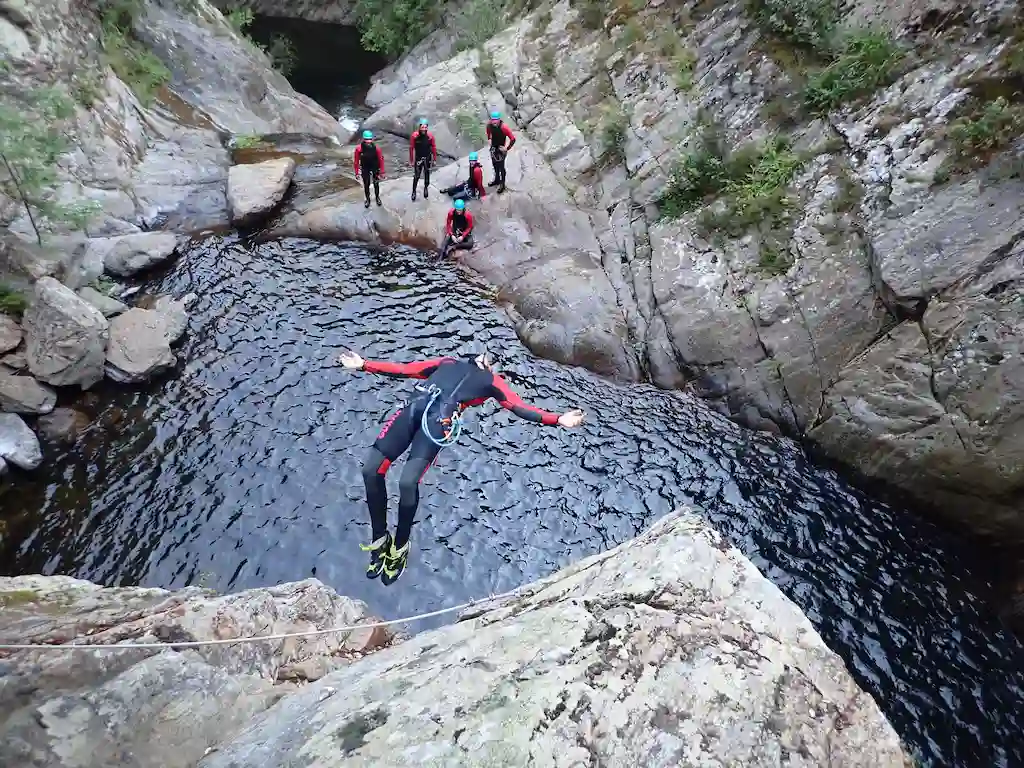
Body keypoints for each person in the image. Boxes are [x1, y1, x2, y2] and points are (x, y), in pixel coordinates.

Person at [337, 348, 585, 584]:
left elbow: (518, 406)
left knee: (407, 482)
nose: (486, 359)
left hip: (435, 425)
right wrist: (364, 365)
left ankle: (399, 548)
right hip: (412, 411)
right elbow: (405, 369)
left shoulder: (493, 382)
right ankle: (380, 538)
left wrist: (557, 419)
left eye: (491, 360)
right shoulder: (446, 363)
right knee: (371, 470)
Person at [485, 111, 516, 193]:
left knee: (501, 167)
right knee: (495, 165)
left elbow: (513, 139)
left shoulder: (504, 127)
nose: (494, 122)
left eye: (496, 120)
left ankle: (502, 184)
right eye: (493, 120)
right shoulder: (489, 125)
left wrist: (507, 148)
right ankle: (497, 180)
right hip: (493, 147)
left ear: (499, 120)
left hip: (501, 149)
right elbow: (488, 132)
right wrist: (489, 139)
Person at [353, 130, 385, 208]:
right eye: (367, 139)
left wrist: (382, 172)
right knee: (366, 184)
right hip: (365, 168)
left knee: (376, 184)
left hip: (375, 167)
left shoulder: (376, 148)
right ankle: (368, 199)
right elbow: (356, 161)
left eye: (370, 139)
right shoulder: (359, 149)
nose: (368, 141)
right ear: (363, 139)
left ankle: (377, 198)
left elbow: (381, 160)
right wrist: (356, 172)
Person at [409, 118, 438, 201]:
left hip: (427, 158)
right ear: (419, 127)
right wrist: (411, 160)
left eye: (425, 127)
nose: (424, 129)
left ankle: (426, 188)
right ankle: (414, 191)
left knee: (427, 174)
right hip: (418, 158)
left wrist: (434, 159)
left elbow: (434, 147)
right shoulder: (414, 136)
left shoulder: (430, 137)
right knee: (417, 176)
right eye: (422, 127)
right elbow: (411, 148)